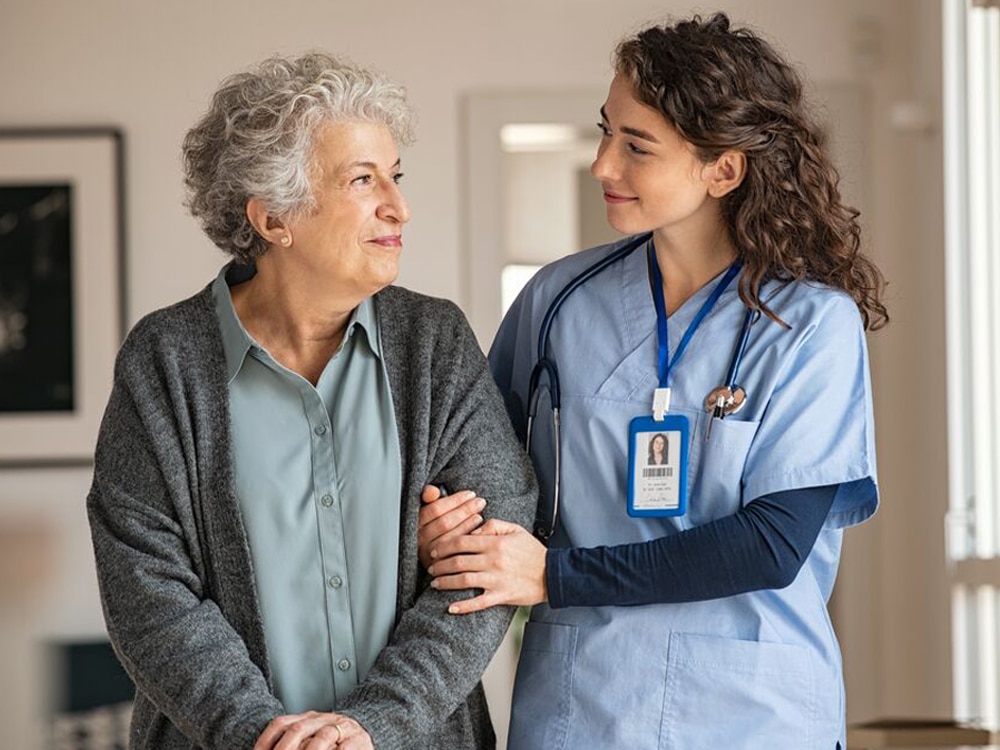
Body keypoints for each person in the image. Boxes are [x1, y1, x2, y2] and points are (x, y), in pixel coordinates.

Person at [419, 13, 884, 750]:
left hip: (752, 718)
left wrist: (556, 577)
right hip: (582, 709)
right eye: (606, 132)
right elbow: (479, 471)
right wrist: (449, 524)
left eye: (636, 146)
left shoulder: (810, 326)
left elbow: (770, 544)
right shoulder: (556, 302)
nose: (603, 164)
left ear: (722, 170)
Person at [86, 52, 536, 750]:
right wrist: (267, 735)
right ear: (273, 218)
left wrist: (373, 724)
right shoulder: (164, 362)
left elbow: (489, 561)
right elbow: (148, 594)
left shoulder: (434, 342)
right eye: (363, 179)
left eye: (396, 174)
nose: (398, 205)